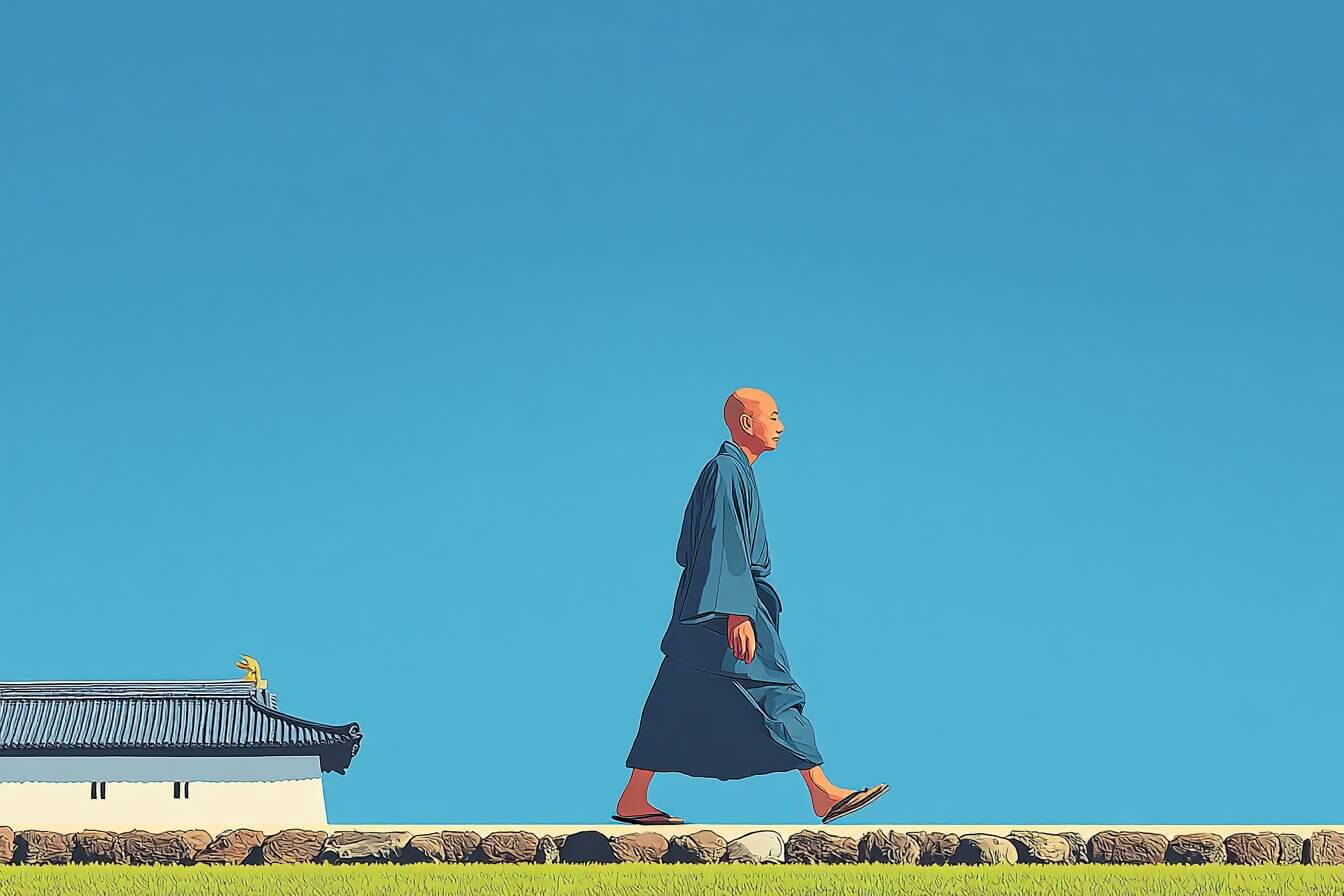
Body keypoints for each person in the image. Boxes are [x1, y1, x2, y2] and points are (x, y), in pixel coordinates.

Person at [614, 387, 888, 825]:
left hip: (706, 609)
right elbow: (723, 542)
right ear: (746, 423)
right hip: (722, 606)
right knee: (773, 688)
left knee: (674, 700)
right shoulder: (726, 472)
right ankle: (820, 791)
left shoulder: (733, 471)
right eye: (774, 417)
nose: (780, 426)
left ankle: (633, 797)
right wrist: (737, 612)